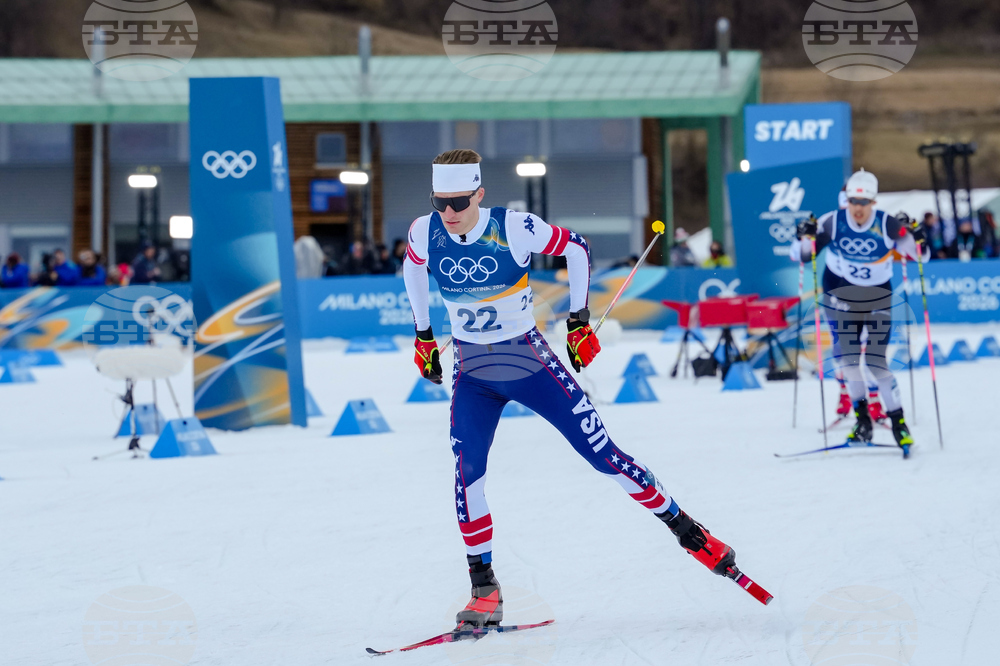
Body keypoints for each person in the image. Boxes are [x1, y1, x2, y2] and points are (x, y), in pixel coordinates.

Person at [403, 149, 745, 630]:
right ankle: (484, 588)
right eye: (440, 202)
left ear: (479, 194)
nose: (449, 212)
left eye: (459, 202)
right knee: (467, 473)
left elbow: (577, 248)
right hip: (473, 373)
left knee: (604, 456)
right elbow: (413, 267)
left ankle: (690, 532)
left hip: (529, 363)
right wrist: (422, 334)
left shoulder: (514, 227)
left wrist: (579, 321)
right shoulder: (425, 231)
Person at [790, 168, 927, 452]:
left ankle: (899, 424)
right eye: (853, 201)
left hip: (877, 299)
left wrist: (917, 235)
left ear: (873, 202)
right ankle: (862, 421)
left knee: (876, 363)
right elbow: (801, 255)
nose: (858, 208)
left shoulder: (887, 224)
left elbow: (920, 255)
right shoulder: (832, 221)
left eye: (864, 202)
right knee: (849, 362)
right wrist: (803, 236)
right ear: (847, 200)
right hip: (845, 299)